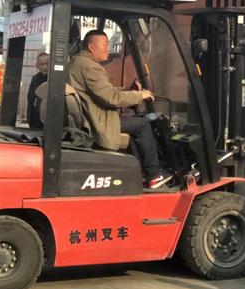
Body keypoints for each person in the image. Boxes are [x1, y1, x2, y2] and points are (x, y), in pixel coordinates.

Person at [68, 29, 172, 189]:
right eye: (105, 44)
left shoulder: (78, 63)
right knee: (143, 124)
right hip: (96, 122)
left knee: (135, 123)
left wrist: (129, 91)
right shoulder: (90, 67)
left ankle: (138, 171)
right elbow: (111, 98)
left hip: (91, 116)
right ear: (91, 46)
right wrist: (139, 96)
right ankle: (153, 174)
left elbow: (103, 91)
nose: (108, 48)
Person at [26, 52, 49, 129]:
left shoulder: (56, 79)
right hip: (36, 120)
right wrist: (29, 118)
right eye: (42, 64)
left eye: (47, 64)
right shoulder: (35, 79)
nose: (45, 66)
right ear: (37, 66)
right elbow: (30, 99)